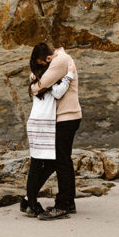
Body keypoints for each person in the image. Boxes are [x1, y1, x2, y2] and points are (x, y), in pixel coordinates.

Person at [20, 42, 74, 218]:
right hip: (44, 123)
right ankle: (33, 202)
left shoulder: (41, 75)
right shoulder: (46, 80)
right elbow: (57, 92)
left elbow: (39, 85)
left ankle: (29, 200)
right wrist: (69, 76)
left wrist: (35, 85)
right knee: (47, 163)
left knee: (45, 163)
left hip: (41, 122)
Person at [31, 44, 81, 220]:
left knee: (61, 161)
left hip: (66, 118)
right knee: (63, 160)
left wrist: (34, 87)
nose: (43, 67)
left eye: (43, 64)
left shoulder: (61, 61)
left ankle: (64, 204)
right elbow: (34, 75)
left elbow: (40, 83)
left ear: (48, 58)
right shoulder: (58, 61)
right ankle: (68, 202)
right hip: (64, 118)